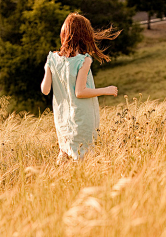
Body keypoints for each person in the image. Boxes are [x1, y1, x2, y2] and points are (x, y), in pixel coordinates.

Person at [41, 13, 121, 164]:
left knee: (64, 151)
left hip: (62, 119)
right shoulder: (83, 60)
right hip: (81, 118)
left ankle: (54, 182)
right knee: (83, 156)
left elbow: (45, 90)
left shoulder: (52, 58)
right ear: (84, 35)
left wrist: (48, 67)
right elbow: (80, 92)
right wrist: (106, 90)